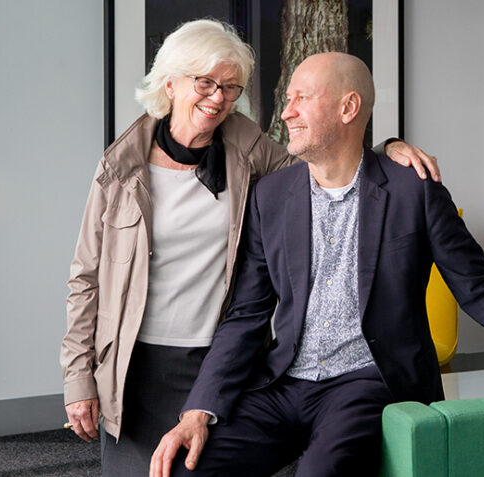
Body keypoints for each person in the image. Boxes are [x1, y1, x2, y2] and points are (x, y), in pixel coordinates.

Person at [149, 52, 484, 477]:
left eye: (301, 98)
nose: (286, 111)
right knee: (190, 468)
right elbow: (247, 315)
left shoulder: (413, 191)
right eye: (287, 98)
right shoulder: (271, 197)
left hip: (369, 381)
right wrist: (199, 411)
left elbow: (482, 288)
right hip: (284, 382)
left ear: (348, 107)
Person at [59, 20, 439, 476]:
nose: (218, 97)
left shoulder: (250, 149)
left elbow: (327, 160)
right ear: (170, 82)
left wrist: (390, 147)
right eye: (205, 83)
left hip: (217, 358)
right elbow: (86, 277)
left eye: (230, 87)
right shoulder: (119, 165)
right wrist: (78, 375)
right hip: (135, 361)